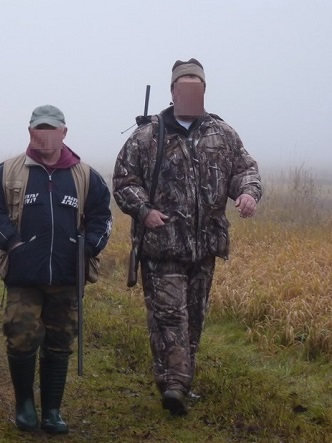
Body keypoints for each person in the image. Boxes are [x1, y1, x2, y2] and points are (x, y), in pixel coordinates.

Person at [112, 59, 262, 416]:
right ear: (174, 92)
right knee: (169, 317)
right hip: (162, 245)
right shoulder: (148, 136)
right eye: (185, 87)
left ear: (204, 92)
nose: (192, 93)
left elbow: (246, 169)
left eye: (198, 87)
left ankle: (174, 379)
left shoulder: (222, 134)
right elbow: (123, 180)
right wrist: (145, 211)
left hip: (205, 246)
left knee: (193, 317)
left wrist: (248, 193)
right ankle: (176, 384)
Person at [0, 105, 112, 434]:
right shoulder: (7, 172)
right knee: (20, 333)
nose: (45, 134)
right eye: (39, 128)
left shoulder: (86, 176)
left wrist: (90, 247)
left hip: (68, 276)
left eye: (52, 128)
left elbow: (102, 217)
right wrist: (13, 245)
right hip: (24, 274)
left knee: (61, 339)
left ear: (64, 133)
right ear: (30, 132)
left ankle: (52, 410)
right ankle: (24, 405)